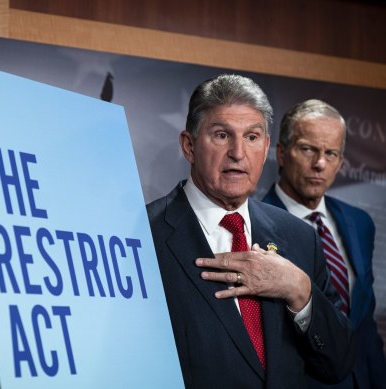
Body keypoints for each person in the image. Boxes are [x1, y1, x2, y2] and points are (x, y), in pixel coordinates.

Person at [147, 74, 355, 388]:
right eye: (221, 135)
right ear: (189, 146)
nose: (238, 153)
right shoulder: (144, 234)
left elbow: (338, 363)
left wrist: (300, 291)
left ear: (267, 147)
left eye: (252, 137)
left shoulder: (300, 237)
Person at [262, 99, 386, 388]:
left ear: (340, 162)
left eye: (331, 154)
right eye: (308, 149)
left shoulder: (360, 223)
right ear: (281, 153)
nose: (319, 163)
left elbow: (364, 325)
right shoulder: (254, 227)